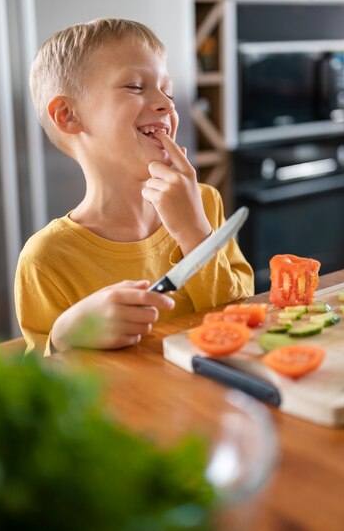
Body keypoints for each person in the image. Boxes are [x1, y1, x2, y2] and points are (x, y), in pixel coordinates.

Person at [15, 18, 254, 356]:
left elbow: (244, 319)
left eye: (167, 90)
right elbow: (39, 389)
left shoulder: (204, 203)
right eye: (135, 87)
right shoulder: (47, 259)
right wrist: (64, 337)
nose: (167, 104)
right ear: (68, 115)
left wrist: (194, 233)